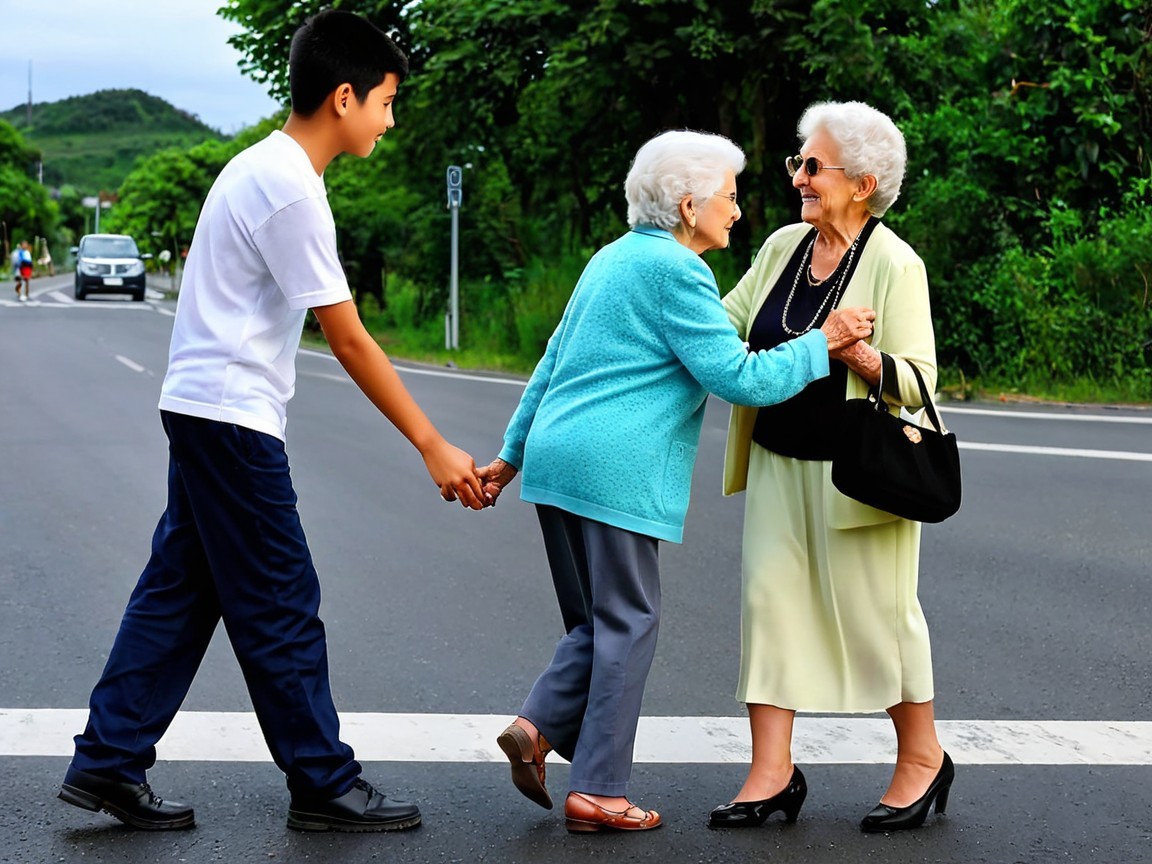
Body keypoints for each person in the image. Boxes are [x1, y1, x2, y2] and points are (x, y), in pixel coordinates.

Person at [57, 10, 486, 835]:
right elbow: (348, 334)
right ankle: (324, 782)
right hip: (230, 419)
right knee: (281, 599)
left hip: (202, 407)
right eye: (387, 104)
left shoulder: (262, 167)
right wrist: (432, 443)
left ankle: (109, 759)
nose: (390, 122)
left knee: (181, 593)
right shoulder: (289, 186)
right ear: (344, 96)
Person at [478, 129, 876, 834]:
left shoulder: (611, 258)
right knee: (629, 622)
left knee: (596, 624)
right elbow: (740, 379)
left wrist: (510, 458)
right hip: (615, 471)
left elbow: (550, 360)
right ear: (689, 207)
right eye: (728, 197)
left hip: (555, 463)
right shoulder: (678, 272)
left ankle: (536, 727)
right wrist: (827, 340)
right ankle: (597, 788)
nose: (738, 211)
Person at [708, 101, 952, 834]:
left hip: (858, 472)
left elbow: (921, 381)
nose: (800, 179)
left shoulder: (894, 262)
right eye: (799, 163)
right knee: (769, 609)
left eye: (814, 167)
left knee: (879, 618)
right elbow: (724, 320)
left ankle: (923, 757)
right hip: (779, 461)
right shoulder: (783, 246)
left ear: (863, 182)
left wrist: (860, 356)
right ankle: (771, 772)